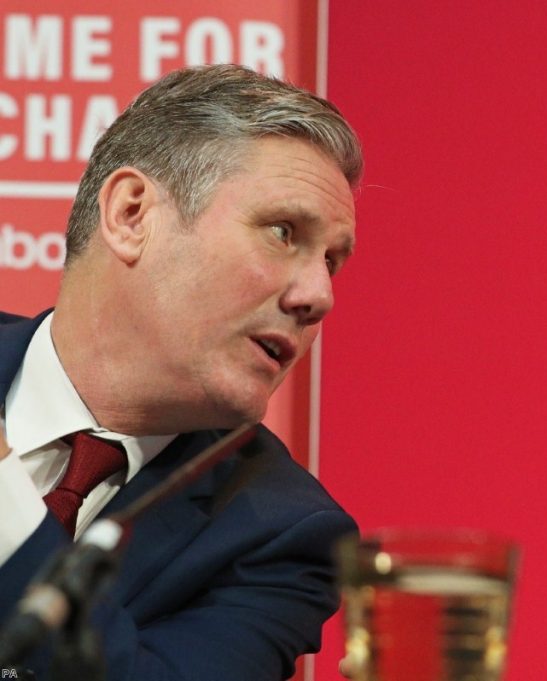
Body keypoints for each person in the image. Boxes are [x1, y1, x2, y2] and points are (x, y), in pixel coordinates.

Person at [0, 64, 361, 680]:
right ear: (133, 214)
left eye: (332, 260)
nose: (319, 295)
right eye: (283, 232)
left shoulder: (283, 535)